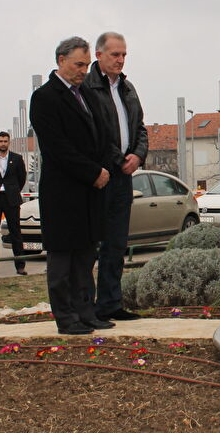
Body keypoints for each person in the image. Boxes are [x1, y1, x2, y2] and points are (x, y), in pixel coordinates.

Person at [29, 36, 114, 335]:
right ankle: (66, 318)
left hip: (90, 193)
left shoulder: (87, 95)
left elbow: (102, 135)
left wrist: (105, 167)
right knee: (63, 261)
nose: (83, 70)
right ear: (61, 60)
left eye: (87, 64)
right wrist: (93, 172)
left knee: (84, 258)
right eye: (78, 64)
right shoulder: (45, 98)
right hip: (63, 194)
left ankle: (86, 312)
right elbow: (57, 147)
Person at [82, 32, 148, 322]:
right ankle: (86, 307)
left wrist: (138, 155)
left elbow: (141, 128)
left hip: (123, 177)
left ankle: (110, 304)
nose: (120, 60)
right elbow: (93, 132)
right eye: (114, 55)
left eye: (124, 55)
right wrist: (119, 159)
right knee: (90, 244)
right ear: (99, 55)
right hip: (100, 176)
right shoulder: (87, 87)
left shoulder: (128, 88)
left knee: (116, 244)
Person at [0, 131, 27, 277]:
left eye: (5, 141)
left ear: (9, 143)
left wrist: (12, 190)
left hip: (11, 200)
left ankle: (20, 265)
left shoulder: (17, 158)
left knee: (16, 233)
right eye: (0, 141)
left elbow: (22, 178)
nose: (3, 144)